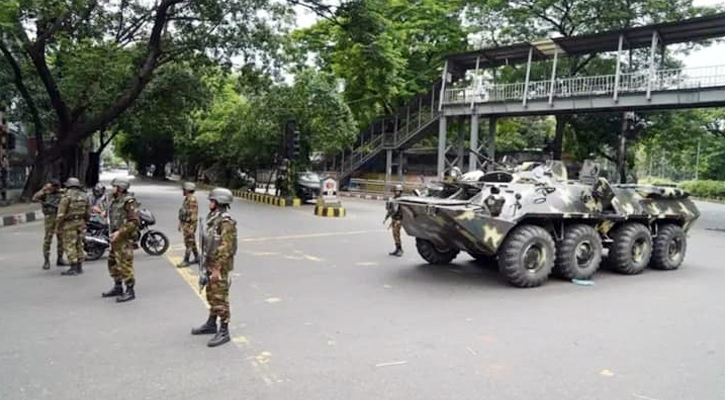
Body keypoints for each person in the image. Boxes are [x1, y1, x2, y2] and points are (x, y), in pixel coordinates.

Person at [191, 188, 238, 348]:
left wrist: (217, 269)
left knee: (220, 297)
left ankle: (224, 330)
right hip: (210, 263)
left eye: (212, 200)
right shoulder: (213, 218)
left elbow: (225, 248)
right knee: (211, 295)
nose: (209, 203)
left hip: (219, 265)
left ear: (218, 202)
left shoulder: (226, 222)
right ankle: (212, 323)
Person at [102, 177, 139, 303]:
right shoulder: (114, 200)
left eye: (114, 186)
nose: (112, 188)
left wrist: (119, 232)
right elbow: (113, 214)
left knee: (124, 264)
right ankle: (118, 287)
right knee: (112, 263)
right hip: (115, 238)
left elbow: (134, 222)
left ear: (120, 188)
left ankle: (130, 290)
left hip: (124, 239)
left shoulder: (129, 201)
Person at [56, 177, 91, 276]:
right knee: (79, 244)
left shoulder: (66, 197)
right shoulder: (85, 196)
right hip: (80, 223)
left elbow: (61, 214)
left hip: (69, 224)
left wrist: (58, 226)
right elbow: (88, 212)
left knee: (69, 245)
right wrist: (85, 221)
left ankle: (73, 267)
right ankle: (79, 267)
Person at [32, 179, 66, 269]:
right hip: (50, 217)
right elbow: (34, 198)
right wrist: (44, 190)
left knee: (61, 239)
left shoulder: (62, 192)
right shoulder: (46, 192)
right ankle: (46, 261)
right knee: (48, 239)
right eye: (55, 187)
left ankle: (60, 258)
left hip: (59, 217)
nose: (57, 189)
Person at [177, 182, 199, 268]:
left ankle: (186, 260)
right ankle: (197, 257)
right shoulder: (187, 199)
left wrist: (190, 228)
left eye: (184, 189)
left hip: (190, 225)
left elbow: (192, 216)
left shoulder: (192, 200)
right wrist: (180, 223)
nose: (183, 191)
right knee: (192, 242)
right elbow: (183, 212)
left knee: (188, 243)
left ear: (187, 190)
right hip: (186, 224)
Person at [384, 184, 404, 257]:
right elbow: (390, 210)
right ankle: (397, 248)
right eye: (395, 191)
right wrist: (386, 218)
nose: (396, 192)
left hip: (399, 219)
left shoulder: (402, 200)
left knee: (397, 234)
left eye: (398, 191)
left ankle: (400, 249)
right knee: (394, 234)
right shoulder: (393, 199)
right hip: (394, 218)